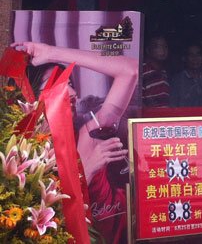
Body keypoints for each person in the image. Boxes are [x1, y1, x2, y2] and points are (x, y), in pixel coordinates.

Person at [13, 41, 139, 244]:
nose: (72, 93)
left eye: (70, 83)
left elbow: (129, 70)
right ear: (30, 97)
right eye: (57, 84)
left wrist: (52, 52)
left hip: (119, 231)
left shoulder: (87, 134)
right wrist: (87, 171)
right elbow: (39, 226)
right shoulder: (19, 156)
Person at [169, 43, 202, 107]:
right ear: (184, 58)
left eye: (198, 54)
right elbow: (173, 105)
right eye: (191, 55)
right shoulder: (177, 80)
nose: (195, 58)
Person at [141, 34, 170, 108]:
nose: (162, 50)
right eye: (157, 47)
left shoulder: (163, 72)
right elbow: (139, 101)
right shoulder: (142, 70)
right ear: (148, 50)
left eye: (165, 46)